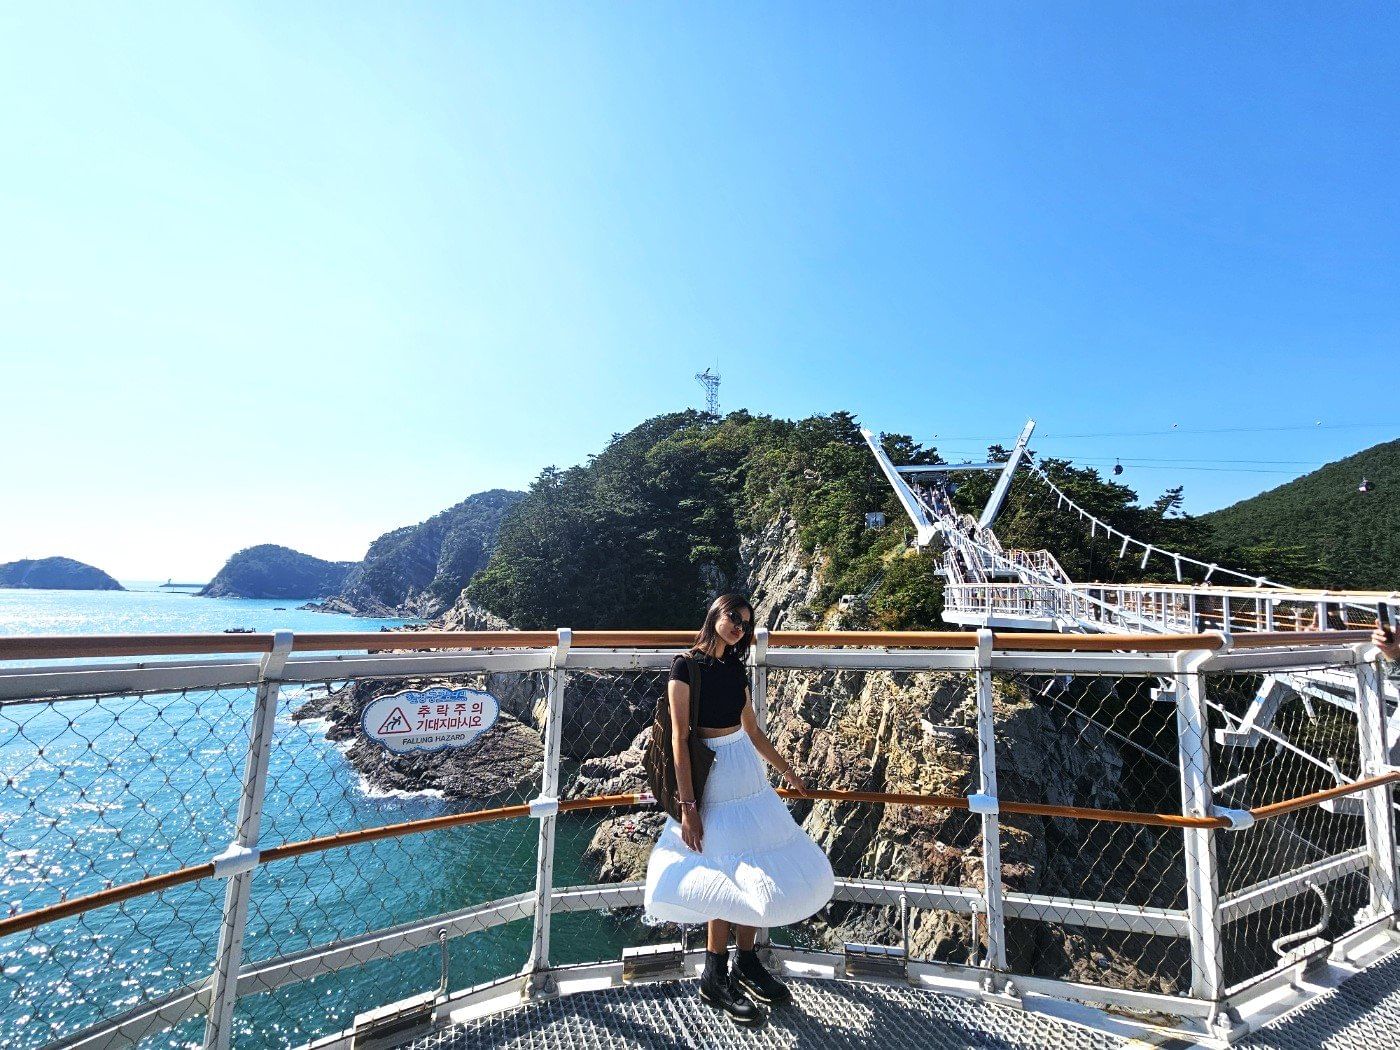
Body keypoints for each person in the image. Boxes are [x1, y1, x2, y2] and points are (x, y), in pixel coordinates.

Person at [642, 592, 835, 1026]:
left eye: (745, 623)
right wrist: (688, 807)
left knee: (756, 866)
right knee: (724, 869)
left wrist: (788, 771)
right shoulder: (685, 666)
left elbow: (751, 729)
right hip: (712, 777)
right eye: (733, 616)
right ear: (715, 614)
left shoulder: (734, 666)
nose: (738, 627)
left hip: (745, 772)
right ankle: (714, 972)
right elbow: (678, 739)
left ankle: (745, 961)